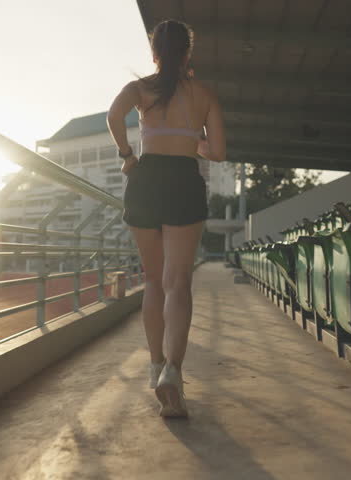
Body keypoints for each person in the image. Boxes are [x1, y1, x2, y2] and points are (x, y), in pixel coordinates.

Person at [106, 19, 226, 418]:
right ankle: (173, 371)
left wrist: (128, 155)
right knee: (179, 283)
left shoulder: (141, 89)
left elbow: (113, 115)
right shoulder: (204, 94)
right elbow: (219, 151)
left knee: (154, 281)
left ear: (154, 54)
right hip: (183, 181)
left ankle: (155, 364)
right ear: (188, 53)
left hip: (145, 178)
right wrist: (194, 143)